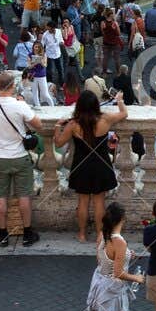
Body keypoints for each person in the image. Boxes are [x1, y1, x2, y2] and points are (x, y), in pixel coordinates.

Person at [0, 69, 41, 247]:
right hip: (20, 157)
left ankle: (2, 234)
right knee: (24, 195)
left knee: (1, 197)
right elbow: (37, 124)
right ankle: (27, 233)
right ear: (13, 86)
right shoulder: (19, 105)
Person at [54, 87, 123, 243]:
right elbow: (124, 114)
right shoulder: (105, 119)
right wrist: (119, 100)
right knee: (100, 202)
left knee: (83, 201)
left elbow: (58, 143)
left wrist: (58, 126)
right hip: (101, 163)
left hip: (81, 165)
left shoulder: (73, 124)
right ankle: (100, 234)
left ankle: (82, 234)